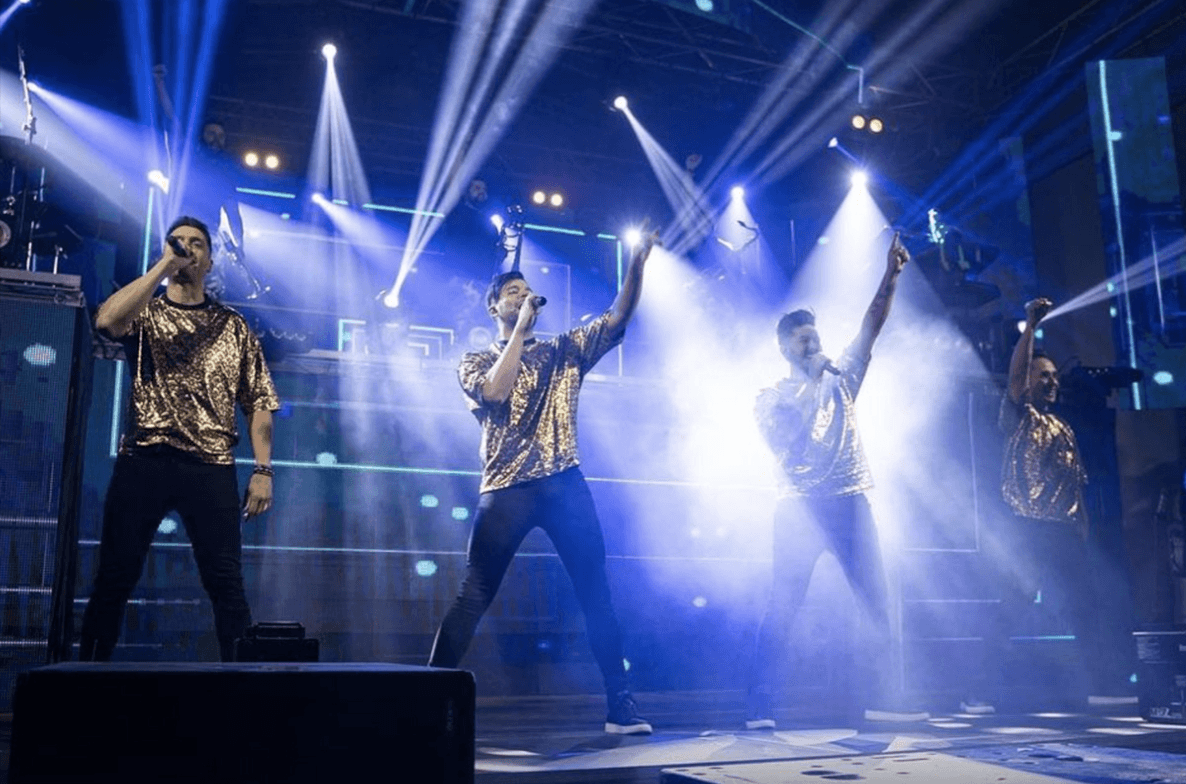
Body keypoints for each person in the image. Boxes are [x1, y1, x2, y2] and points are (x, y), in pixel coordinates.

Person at [428, 234, 658, 735]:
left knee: (596, 594)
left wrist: (637, 263)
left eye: (527, 290)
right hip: (506, 488)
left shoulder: (564, 350)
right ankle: (425, 702)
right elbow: (495, 391)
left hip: (563, 482)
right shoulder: (472, 360)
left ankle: (620, 708)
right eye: (512, 292)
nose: (523, 295)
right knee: (474, 594)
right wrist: (519, 331)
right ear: (494, 307)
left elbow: (617, 317)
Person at [79, 216, 279, 663]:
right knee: (114, 577)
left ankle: (243, 688)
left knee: (226, 582)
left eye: (196, 244)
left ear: (209, 261)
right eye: (178, 242)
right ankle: (85, 682)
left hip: (210, 466)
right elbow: (106, 321)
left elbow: (259, 402)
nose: (186, 248)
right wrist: (162, 267)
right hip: (145, 459)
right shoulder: (145, 313)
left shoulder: (233, 326)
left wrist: (263, 470)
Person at [745, 232, 925, 729]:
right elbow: (785, 438)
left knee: (877, 601)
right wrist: (810, 381)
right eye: (804, 339)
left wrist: (890, 275)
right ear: (785, 347)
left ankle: (886, 697)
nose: (814, 344)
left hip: (849, 502)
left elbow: (872, 325)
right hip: (799, 508)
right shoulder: (769, 398)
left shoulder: (841, 380)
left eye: (816, 337)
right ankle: (759, 705)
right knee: (784, 605)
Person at [994, 297, 1132, 706]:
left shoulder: (1063, 426)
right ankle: (977, 688)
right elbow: (1016, 377)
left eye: (1055, 376)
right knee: (1010, 607)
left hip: (1063, 531)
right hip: (1026, 527)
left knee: (1086, 608)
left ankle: (1103, 687)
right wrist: (1031, 325)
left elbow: (1076, 484)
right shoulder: (1021, 416)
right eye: (1044, 375)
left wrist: (1082, 525)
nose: (1052, 382)